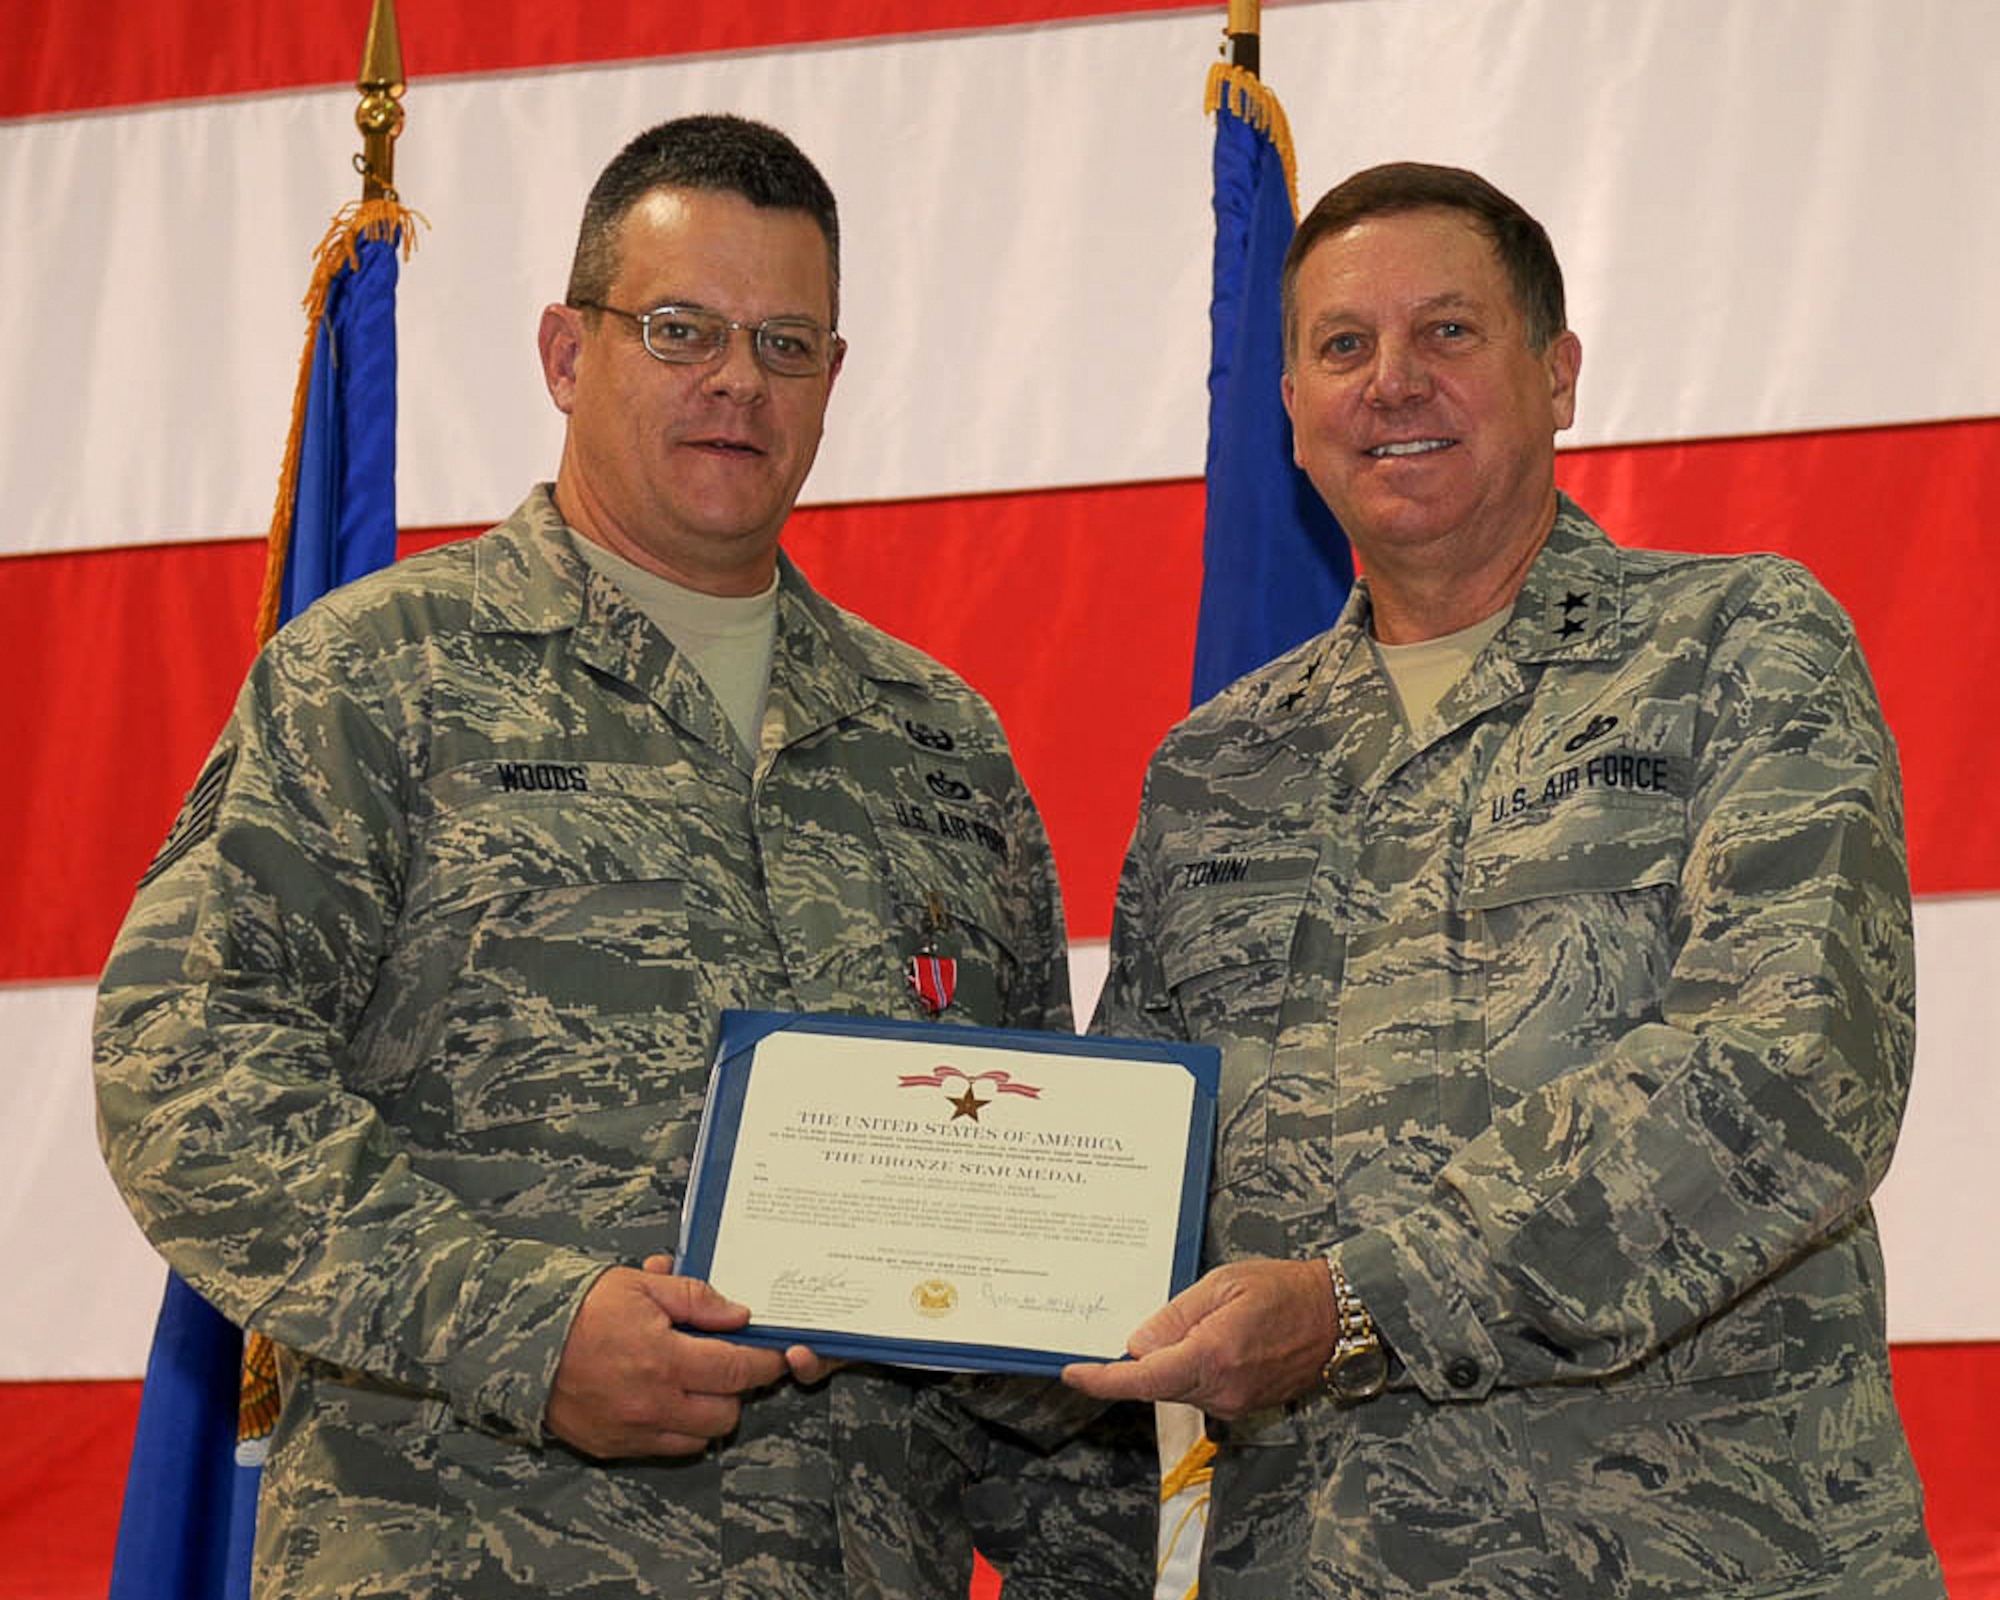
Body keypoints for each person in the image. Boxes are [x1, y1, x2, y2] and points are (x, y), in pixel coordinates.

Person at [95, 114, 1152, 1599]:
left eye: (788, 343)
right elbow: (185, 1071)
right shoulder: (382, 677)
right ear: (565, 352)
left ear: (834, 381)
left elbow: (1016, 1230)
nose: (737, 380)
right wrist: (521, 1330)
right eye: (680, 329)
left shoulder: (939, 746)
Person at [1065, 161, 1946, 1599]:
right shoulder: (1214, 770)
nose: (1392, 381)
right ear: (1287, 408)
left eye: (1449, 333)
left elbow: (1793, 1072)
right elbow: (1132, 1180)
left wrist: (1359, 1305)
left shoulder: (1739, 643)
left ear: (1559, 375)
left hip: (1707, 1561)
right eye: (1343, 346)